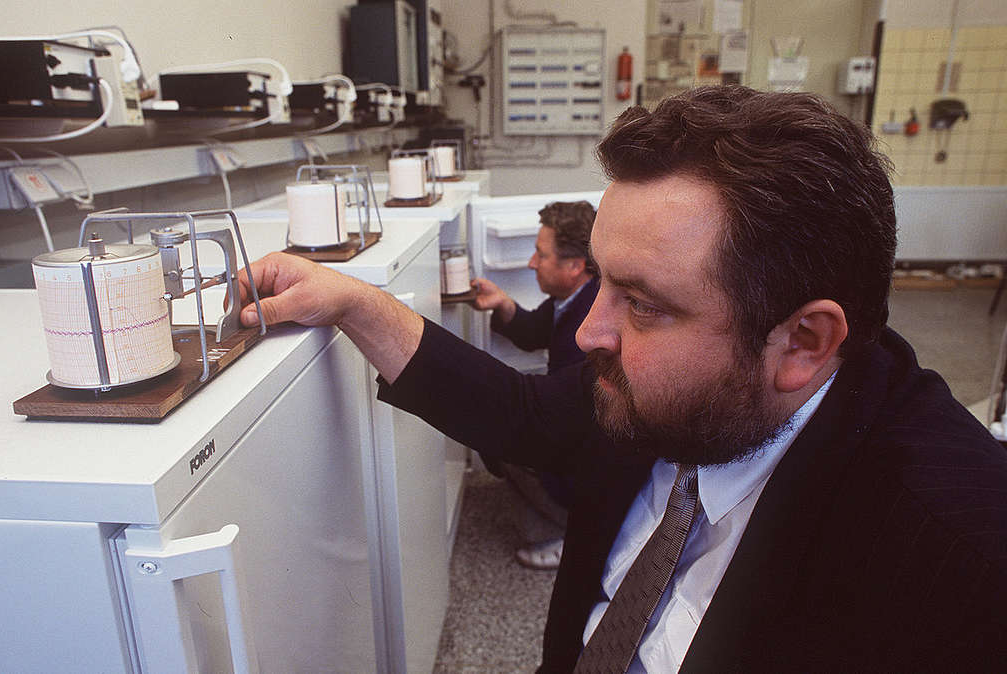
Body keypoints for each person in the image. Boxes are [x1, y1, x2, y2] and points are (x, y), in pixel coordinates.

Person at [238, 85, 1007, 672]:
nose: (586, 331)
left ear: (804, 341)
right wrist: (355, 302)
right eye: (601, 280)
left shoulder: (959, 570)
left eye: (641, 303)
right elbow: (521, 414)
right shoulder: (662, 387)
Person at [470, 200, 599, 570]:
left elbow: (564, 418)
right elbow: (531, 333)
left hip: (588, 458)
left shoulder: (587, 322)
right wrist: (503, 303)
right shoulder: (574, 298)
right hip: (576, 436)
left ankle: (564, 529)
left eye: (540, 255)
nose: (531, 263)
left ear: (574, 266)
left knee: (500, 434)